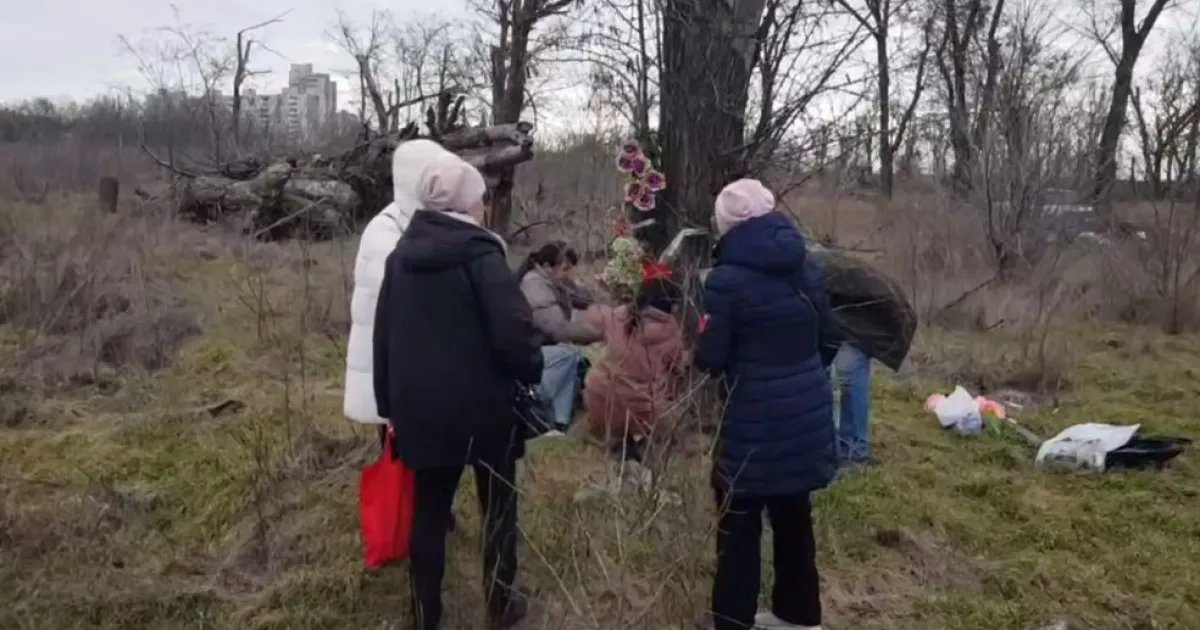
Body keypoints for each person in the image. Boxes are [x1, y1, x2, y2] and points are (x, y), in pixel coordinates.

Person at [372, 154, 543, 630]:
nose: (484, 208)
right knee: (500, 506)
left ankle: (425, 613)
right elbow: (514, 332)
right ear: (469, 205)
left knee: (428, 511)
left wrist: (390, 407)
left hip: (421, 412)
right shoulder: (482, 255)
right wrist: (532, 369)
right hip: (486, 409)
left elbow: (383, 338)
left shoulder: (400, 258)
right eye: (481, 200)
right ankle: (501, 602)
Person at [694, 179, 839, 630]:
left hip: (750, 423)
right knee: (794, 513)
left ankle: (732, 621)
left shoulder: (724, 280)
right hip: (806, 416)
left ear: (726, 225)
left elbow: (711, 358)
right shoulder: (806, 265)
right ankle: (798, 615)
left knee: (738, 525)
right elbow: (830, 336)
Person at [345, 139, 456, 444]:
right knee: (399, 459)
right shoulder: (387, 228)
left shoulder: (421, 223)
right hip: (390, 367)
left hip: (412, 364)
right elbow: (409, 291)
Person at [582, 269, 688, 463]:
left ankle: (619, 444)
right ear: (672, 306)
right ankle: (640, 451)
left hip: (597, 395)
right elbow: (678, 367)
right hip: (640, 410)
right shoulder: (670, 330)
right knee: (673, 424)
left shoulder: (619, 315)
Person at [517, 241, 603, 431]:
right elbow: (557, 328)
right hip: (527, 350)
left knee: (573, 358)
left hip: (544, 346)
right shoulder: (534, 285)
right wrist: (600, 334)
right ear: (547, 267)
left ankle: (560, 421)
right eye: (565, 269)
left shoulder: (555, 281)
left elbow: (584, 299)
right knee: (568, 356)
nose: (567, 275)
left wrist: (607, 293)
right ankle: (536, 405)